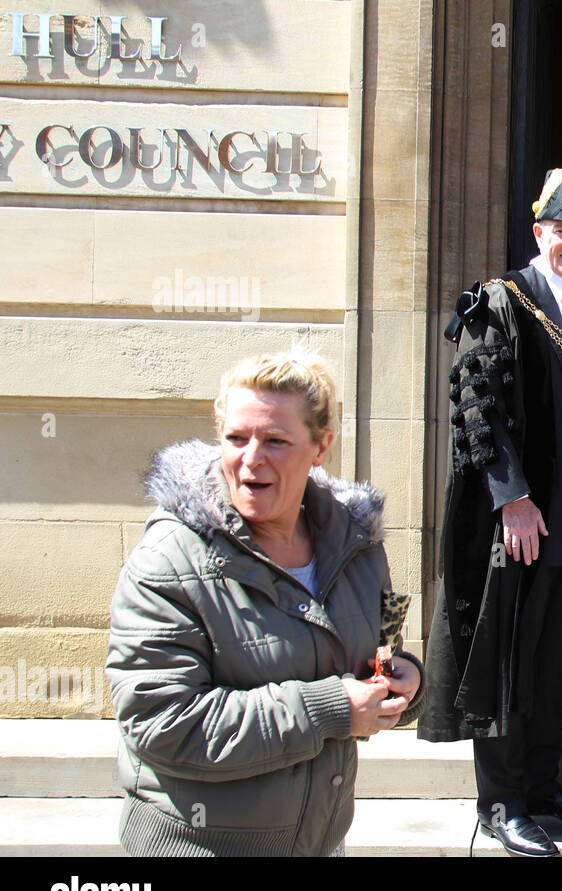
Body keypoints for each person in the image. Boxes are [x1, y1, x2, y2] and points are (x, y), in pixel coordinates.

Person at [106, 349, 425, 856]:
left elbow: (380, 654)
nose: (251, 458)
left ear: (321, 447)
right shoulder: (168, 560)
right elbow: (164, 725)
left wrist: (404, 682)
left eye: (276, 441)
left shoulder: (357, 547)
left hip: (319, 842)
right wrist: (331, 708)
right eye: (236, 438)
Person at [419, 168, 562, 857]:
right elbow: (477, 410)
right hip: (523, 518)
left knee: (553, 657)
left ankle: (538, 785)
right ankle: (501, 802)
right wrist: (515, 500)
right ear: (540, 233)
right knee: (509, 656)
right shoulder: (502, 300)